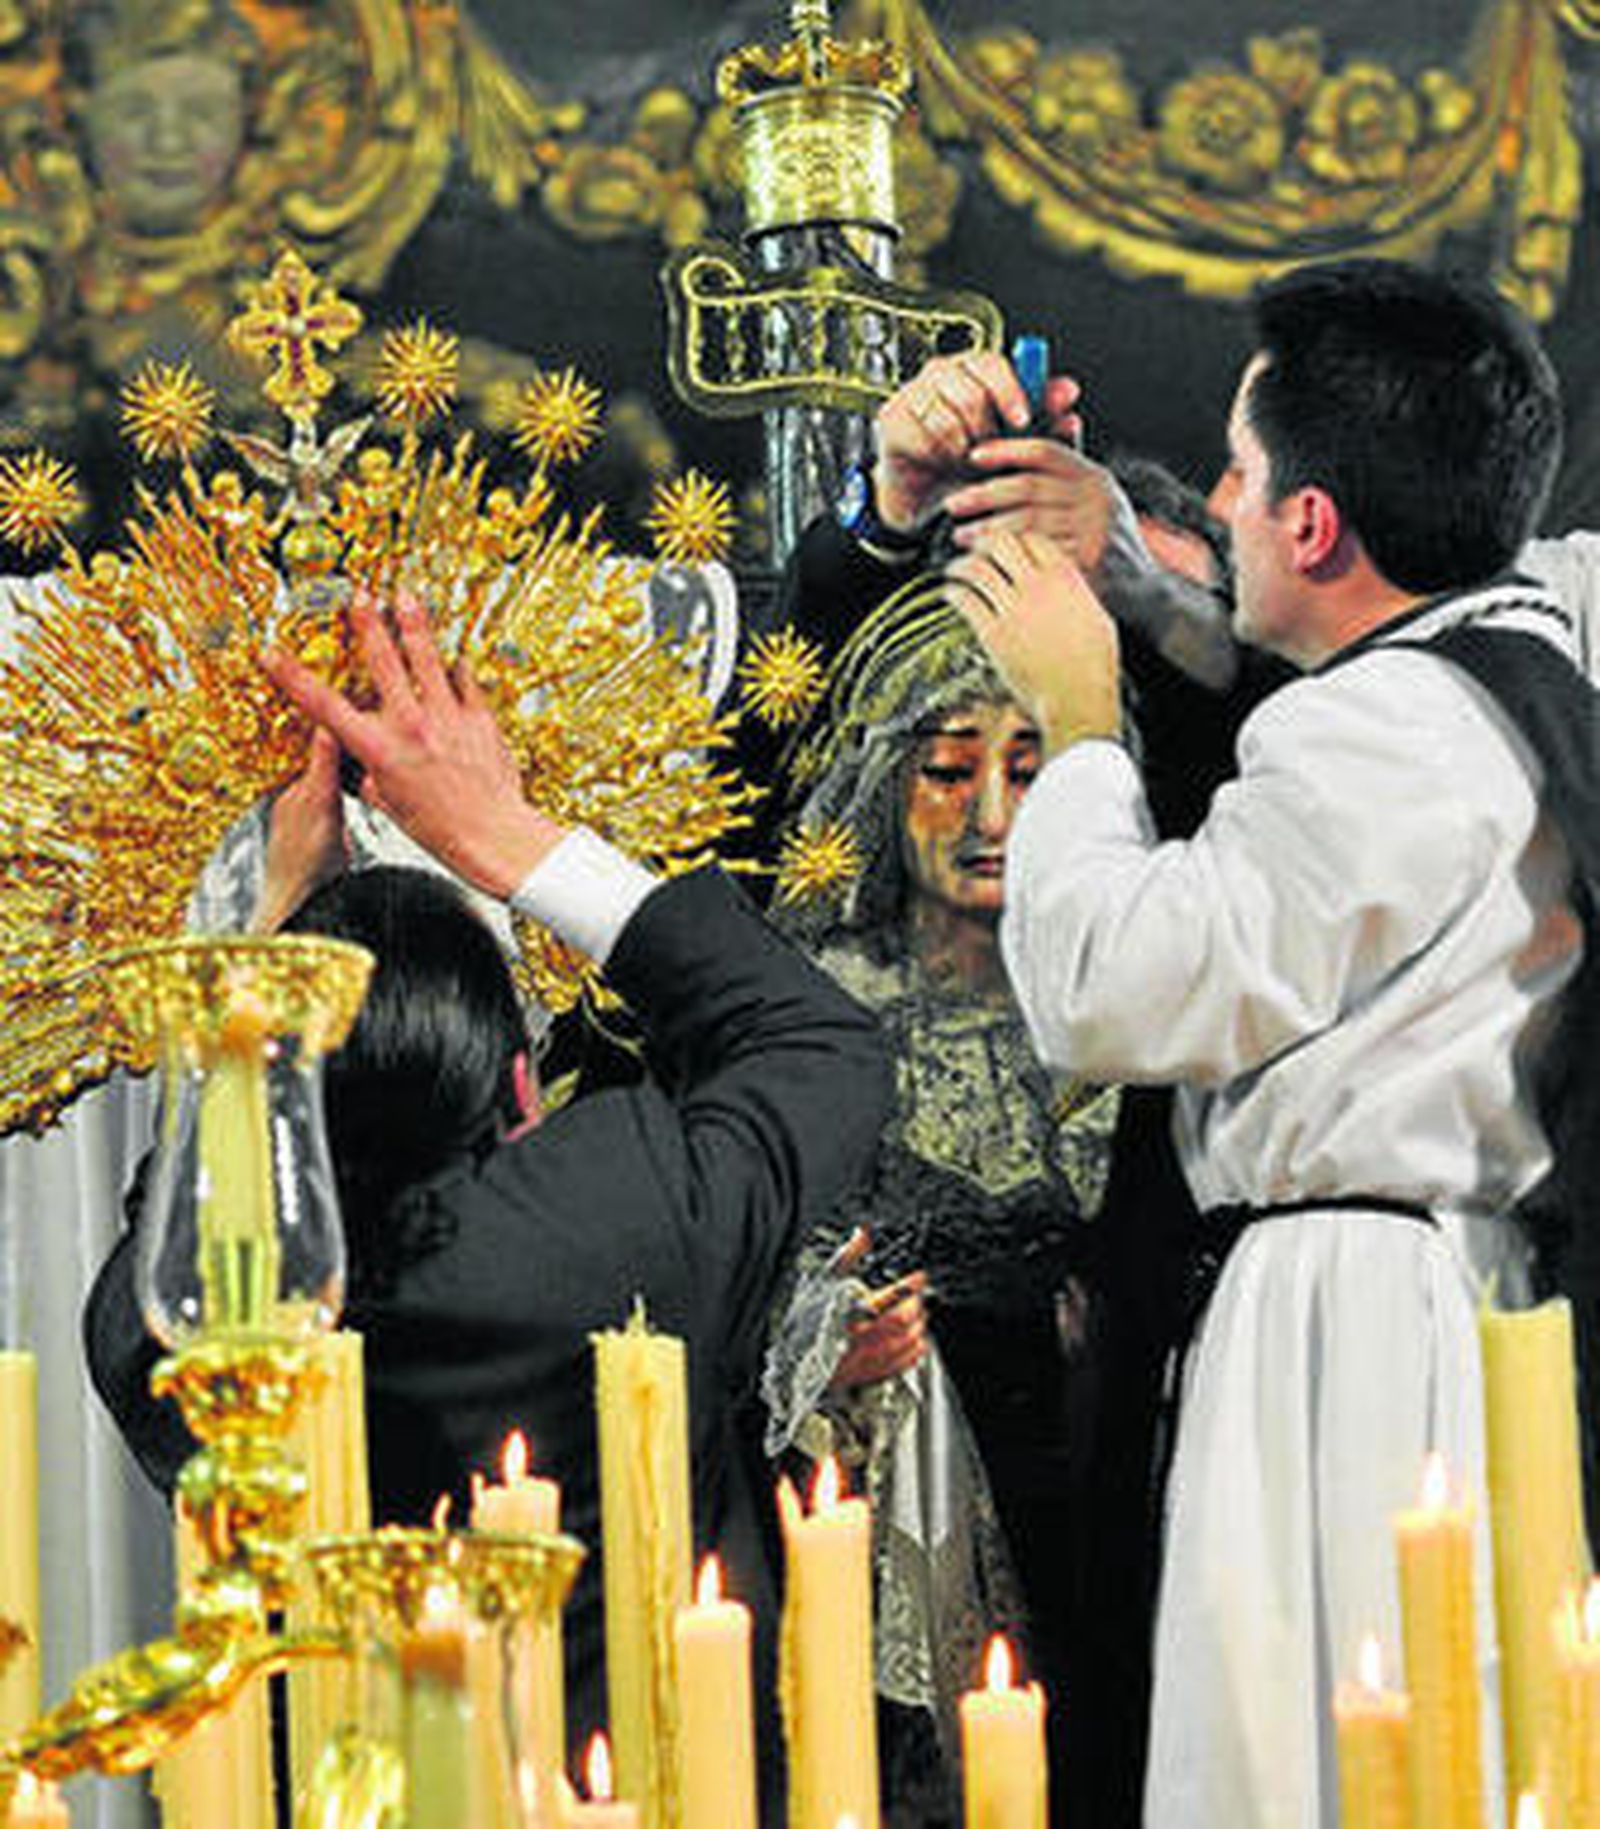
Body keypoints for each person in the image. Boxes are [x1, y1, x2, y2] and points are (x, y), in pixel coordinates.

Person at [941, 256, 1581, 1828]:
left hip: (1341, 1326)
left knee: (1303, 1752)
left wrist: (1078, 712)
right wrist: (1149, 587)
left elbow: (1113, 988)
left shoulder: (1377, 731)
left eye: (1238, 473)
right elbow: (1322, 667)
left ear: (1312, 523)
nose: (1218, 505)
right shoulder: (1530, 649)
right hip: (1460, 1294)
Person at [83, 591, 891, 1810]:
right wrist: (506, 836)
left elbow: (194, 1204)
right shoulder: (622, 1209)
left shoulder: (174, 1326)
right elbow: (820, 1046)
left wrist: (259, 953)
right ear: (521, 1079)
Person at [761, 590, 1118, 1823]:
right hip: (880, 1477)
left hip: (1087, 1475)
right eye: (948, 772)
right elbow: (754, 1247)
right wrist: (827, 1349)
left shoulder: (1113, 984)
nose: (991, 815)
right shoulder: (812, 1004)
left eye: (1029, 768)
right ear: (880, 781)